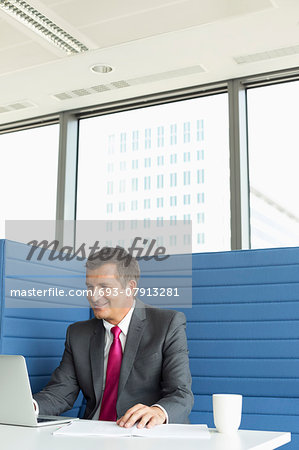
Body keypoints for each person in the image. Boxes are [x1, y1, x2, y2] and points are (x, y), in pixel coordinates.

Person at [33, 247, 193, 428]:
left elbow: (180, 394)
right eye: (90, 287)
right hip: (92, 433)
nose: (94, 296)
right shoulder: (78, 334)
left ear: (130, 288)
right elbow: (60, 393)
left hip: (143, 432)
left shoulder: (167, 324)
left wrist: (157, 411)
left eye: (104, 287)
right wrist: (30, 407)